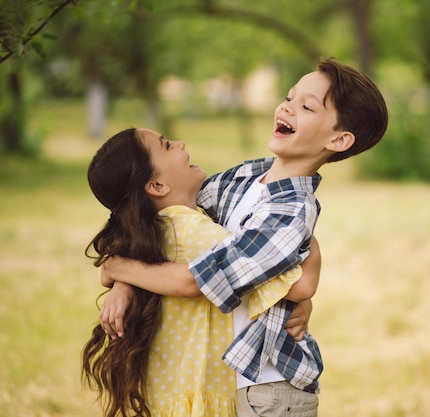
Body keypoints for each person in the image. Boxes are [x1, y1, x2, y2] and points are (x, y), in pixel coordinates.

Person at [101, 57, 388, 417]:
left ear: (339, 139)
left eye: (306, 106)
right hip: (230, 383)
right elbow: (152, 212)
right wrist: (123, 285)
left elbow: (198, 280)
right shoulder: (245, 177)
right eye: (289, 96)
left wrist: (118, 268)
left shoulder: (293, 211)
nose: (286, 106)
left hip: (271, 388)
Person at [82, 127, 321, 417]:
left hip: (172, 393)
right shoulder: (195, 232)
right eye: (167, 145)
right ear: (156, 186)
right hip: (202, 394)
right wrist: (306, 239)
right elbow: (296, 283)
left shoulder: (153, 233)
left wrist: (119, 275)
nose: (180, 143)